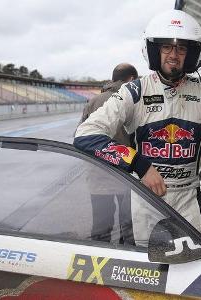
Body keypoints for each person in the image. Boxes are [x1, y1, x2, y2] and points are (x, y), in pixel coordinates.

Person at [74, 10, 201, 238]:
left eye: (181, 48)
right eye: (166, 47)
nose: (173, 54)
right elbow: (85, 135)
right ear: (154, 50)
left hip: (189, 202)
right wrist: (139, 164)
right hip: (145, 201)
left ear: (190, 54)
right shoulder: (134, 91)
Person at [80, 63, 137, 241]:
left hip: (97, 172)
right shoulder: (132, 99)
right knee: (128, 225)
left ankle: (99, 258)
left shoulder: (93, 101)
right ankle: (125, 260)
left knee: (100, 225)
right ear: (132, 79)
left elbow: (81, 135)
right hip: (125, 172)